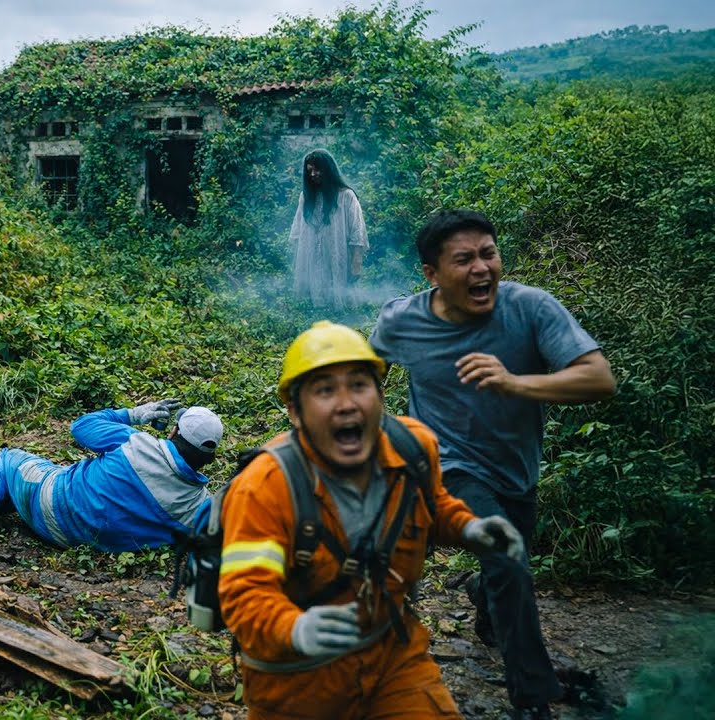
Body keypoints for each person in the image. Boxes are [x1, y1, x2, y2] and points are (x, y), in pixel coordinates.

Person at [369, 210, 617, 720]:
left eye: (489, 253)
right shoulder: (402, 320)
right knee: (507, 550)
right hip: (447, 466)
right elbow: (365, 376)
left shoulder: (530, 308)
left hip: (516, 468)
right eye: (464, 259)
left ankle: (486, 601)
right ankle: (532, 695)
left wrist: (514, 383)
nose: (482, 268)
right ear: (432, 274)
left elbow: (598, 379)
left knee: (505, 564)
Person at [218, 321, 526, 720]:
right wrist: (294, 628)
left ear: (381, 396)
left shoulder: (413, 448)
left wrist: (469, 527)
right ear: (295, 411)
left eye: (359, 385)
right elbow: (245, 593)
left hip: (392, 657)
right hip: (296, 682)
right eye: (325, 390)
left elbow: (432, 505)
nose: (347, 403)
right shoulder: (263, 487)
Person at [0, 400, 223, 553]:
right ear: (210, 458)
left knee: (10, 458)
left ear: (173, 431)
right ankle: (4, 502)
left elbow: (81, 427)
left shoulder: (135, 443)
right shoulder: (198, 507)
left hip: (54, 508)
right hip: (92, 543)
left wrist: (135, 413)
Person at [289, 149, 368, 308]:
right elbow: (297, 232)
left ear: (328, 169)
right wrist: (296, 263)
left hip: (336, 256)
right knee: (310, 306)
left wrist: (356, 262)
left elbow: (357, 232)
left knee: (340, 304)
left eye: (317, 169)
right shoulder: (306, 197)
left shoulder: (346, 196)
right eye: (310, 170)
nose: (313, 174)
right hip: (311, 259)